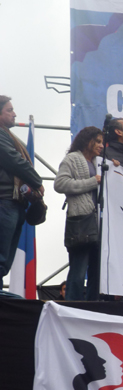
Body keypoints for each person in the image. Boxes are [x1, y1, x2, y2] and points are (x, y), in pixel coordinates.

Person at [54, 126, 108, 301]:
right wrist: (92, 182)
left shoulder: (98, 162)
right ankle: (73, 305)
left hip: (98, 223)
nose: (101, 145)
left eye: (102, 142)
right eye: (98, 141)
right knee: (78, 270)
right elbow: (60, 184)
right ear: (87, 141)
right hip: (81, 220)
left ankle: (92, 306)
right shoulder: (72, 158)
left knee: (97, 271)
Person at [0, 96, 44, 290]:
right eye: (9, 110)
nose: (15, 114)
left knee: (4, 262)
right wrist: (37, 182)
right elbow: (14, 160)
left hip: (14, 202)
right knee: (1, 258)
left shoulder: (7, 136)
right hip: (4, 201)